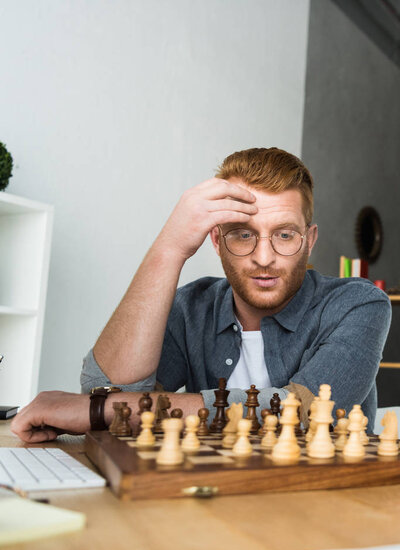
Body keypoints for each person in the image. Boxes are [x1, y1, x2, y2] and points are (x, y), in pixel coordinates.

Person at [12, 147, 391, 443]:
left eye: (285, 234)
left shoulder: (358, 304)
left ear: (309, 241)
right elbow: (109, 392)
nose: (264, 257)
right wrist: (170, 247)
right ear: (215, 239)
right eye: (243, 234)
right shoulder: (191, 307)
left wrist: (101, 410)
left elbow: (303, 412)